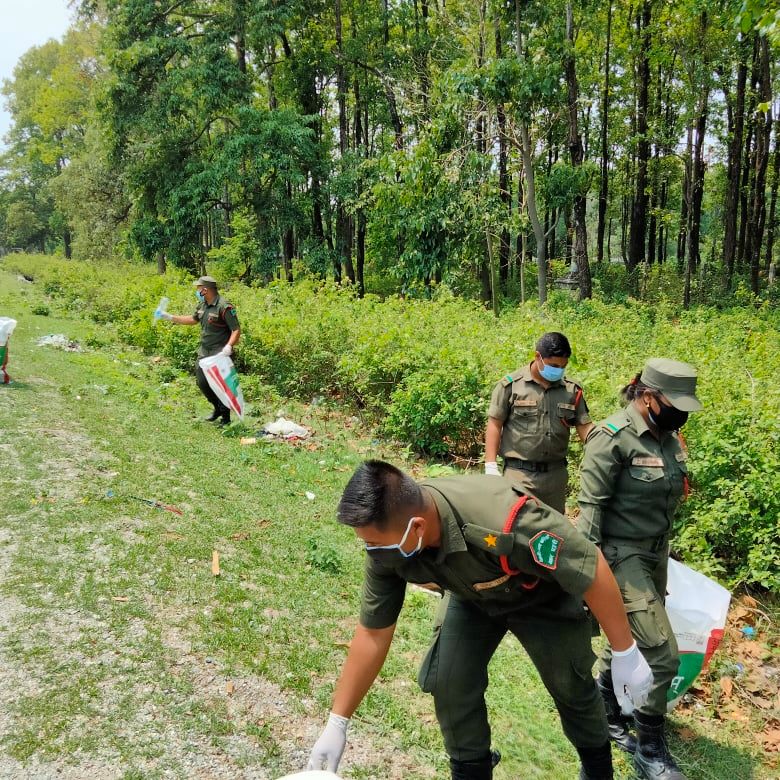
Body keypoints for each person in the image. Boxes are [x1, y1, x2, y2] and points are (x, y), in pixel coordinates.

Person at [307, 460, 654, 780]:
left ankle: (596, 767)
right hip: (472, 594)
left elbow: (589, 567)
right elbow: (372, 632)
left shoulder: (506, 518)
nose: (370, 552)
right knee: (448, 679)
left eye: (373, 544)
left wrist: (625, 650)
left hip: (541, 599)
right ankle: (471, 770)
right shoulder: (388, 544)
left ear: (417, 527)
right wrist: (338, 722)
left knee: (570, 685)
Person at [577, 359, 703, 780]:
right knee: (663, 657)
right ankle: (649, 746)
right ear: (648, 396)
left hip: (656, 553)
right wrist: (587, 580)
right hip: (620, 556)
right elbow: (590, 512)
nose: (681, 413)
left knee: (624, 640)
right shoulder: (611, 438)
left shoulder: (669, 438)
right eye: (675, 404)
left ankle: (609, 712)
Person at [484, 332, 593, 513]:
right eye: (553, 365)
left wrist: (605, 447)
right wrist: (490, 465)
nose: (558, 370)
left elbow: (585, 427)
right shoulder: (511, 386)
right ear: (537, 357)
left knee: (553, 533)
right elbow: (495, 424)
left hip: (555, 476)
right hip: (519, 475)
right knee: (517, 528)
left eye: (563, 366)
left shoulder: (571, 390)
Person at [159, 275, 240, 425]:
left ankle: (225, 418)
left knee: (220, 385)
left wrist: (229, 346)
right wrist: (169, 317)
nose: (197, 291)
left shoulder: (224, 306)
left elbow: (236, 330)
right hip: (204, 352)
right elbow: (192, 319)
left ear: (205, 289)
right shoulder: (203, 305)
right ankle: (217, 408)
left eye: (198, 288)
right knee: (202, 382)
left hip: (220, 354)